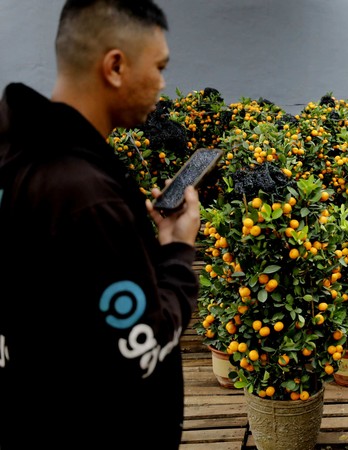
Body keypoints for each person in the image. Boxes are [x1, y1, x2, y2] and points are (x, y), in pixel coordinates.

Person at [0, 1, 200, 448]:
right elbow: (140, 346)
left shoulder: (19, 162)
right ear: (115, 66)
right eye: (160, 66)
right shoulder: (86, 196)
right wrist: (177, 251)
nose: (162, 84)